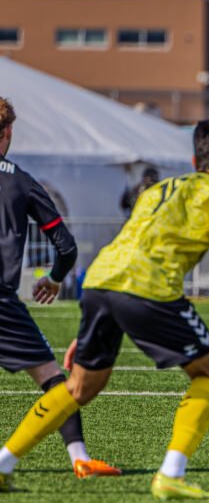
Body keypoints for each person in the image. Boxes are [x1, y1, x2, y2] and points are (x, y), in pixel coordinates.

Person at [0, 120, 209, 497]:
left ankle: (4, 462)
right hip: (148, 287)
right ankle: (171, 475)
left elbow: (128, 240)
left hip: (100, 283)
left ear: (195, 158)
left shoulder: (158, 189)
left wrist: (93, 327)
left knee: (81, 385)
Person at [0, 97, 120, 482]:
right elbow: (65, 246)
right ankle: (79, 458)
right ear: (7, 133)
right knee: (55, 380)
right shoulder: (20, 181)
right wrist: (53, 278)